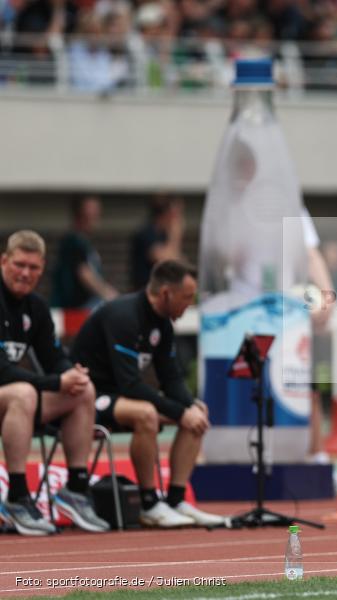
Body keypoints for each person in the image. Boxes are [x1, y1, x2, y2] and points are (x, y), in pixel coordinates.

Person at [71, 259, 227, 527]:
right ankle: (149, 504)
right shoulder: (124, 316)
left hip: (123, 397)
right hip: (89, 399)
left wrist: (188, 406)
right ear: (166, 293)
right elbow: (131, 384)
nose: (190, 304)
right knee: (146, 414)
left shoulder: (163, 324)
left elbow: (171, 378)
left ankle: (176, 499)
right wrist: (179, 412)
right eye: (187, 297)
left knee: (197, 413)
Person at [0, 230, 110, 535]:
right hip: (11, 394)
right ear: (3, 261)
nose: (25, 273)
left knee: (83, 389)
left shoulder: (36, 307)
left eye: (33, 267)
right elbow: (3, 372)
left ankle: (75, 488)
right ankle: (17, 496)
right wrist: (54, 381)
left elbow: (54, 358)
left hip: (14, 402)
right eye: (19, 264)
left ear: (43, 267)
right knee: (23, 392)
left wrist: (71, 375)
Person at [50, 196, 118, 309]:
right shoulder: (73, 241)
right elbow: (85, 274)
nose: (97, 215)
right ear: (82, 214)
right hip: (76, 309)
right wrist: (109, 294)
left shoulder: (83, 241)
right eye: (93, 211)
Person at [129, 195, 184, 291]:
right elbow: (169, 263)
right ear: (168, 213)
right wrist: (175, 235)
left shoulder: (164, 236)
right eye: (178, 214)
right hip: (146, 294)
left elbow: (182, 264)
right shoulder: (146, 234)